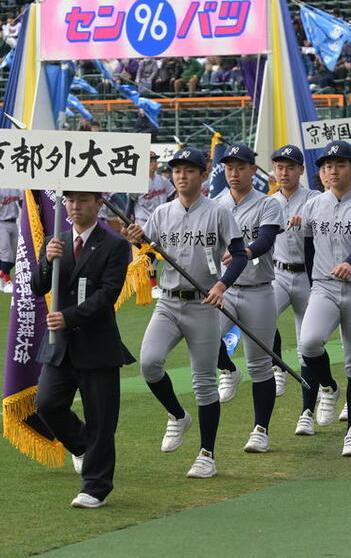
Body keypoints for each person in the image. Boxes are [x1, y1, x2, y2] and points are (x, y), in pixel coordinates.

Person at [128, 147, 249, 479]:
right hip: (168, 301)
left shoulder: (219, 212)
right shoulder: (161, 213)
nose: (181, 176)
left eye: (189, 170)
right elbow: (148, 259)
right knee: (149, 363)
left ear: (203, 174)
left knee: (204, 383)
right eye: (176, 171)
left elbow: (239, 255)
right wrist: (138, 242)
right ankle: (178, 416)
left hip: (204, 304)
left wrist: (223, 285)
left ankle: (207, 454)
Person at [30, 190, 133, 509]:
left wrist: (70, 317)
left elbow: (107, 295)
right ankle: (82, 444)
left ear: (98, 204)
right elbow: (38, 286)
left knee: (102, 418)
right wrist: (47, 260)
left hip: (97, 344)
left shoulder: (114, 244)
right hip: (60, 347)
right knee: (47, 403)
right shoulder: (55, 239)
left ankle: (96, 487)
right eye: (70, 200)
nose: (75, 206)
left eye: (83, 200)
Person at [293, 141, 351, 457]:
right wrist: (309, 285)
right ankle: (329, 387)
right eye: (327, 165)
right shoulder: (314, 205)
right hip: (323, 287)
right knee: (308, 343)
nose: (332, 170)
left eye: (340, 164)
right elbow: (307, 249)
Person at [211, 144, 285, 452]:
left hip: (258, 289)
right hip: (222, 291)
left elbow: (267, 238)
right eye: (229, 167)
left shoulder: (268, 204)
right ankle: (228, 369)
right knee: (205, 346)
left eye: (240, 167)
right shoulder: (215, 204)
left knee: (260, 365)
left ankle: (260, 429)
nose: (234, 172)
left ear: (253, 171)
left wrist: (247, 252)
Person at [270, 146, 319, 398]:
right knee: (261, 317)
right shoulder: (268, 202)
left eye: (290, 167)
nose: (284, 172)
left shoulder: (315, 199)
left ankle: (314, 389)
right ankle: (277, 368)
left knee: (307, 341)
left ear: (301, 169)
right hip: (278, 273)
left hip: (307, 277)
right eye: (280, 167)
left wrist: (309, 221)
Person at [127, 151, 175, 299]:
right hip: (143, 224)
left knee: (162, 255)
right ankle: (153, 286)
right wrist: (127, 222)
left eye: (154, 160)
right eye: (151, 161)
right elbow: (130, 203)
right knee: (149, 256)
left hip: (161, 222)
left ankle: (147, 283)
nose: (154, 163)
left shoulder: (163, 180)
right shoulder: (138, 182)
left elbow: (171, 196)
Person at [0, 187, 23, 293]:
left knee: (16, 254)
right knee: (6, 253)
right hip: (1, 223)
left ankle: (0, 274)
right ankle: (8, 282)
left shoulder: (16, 187)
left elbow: (22, 204)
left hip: (13, 223)